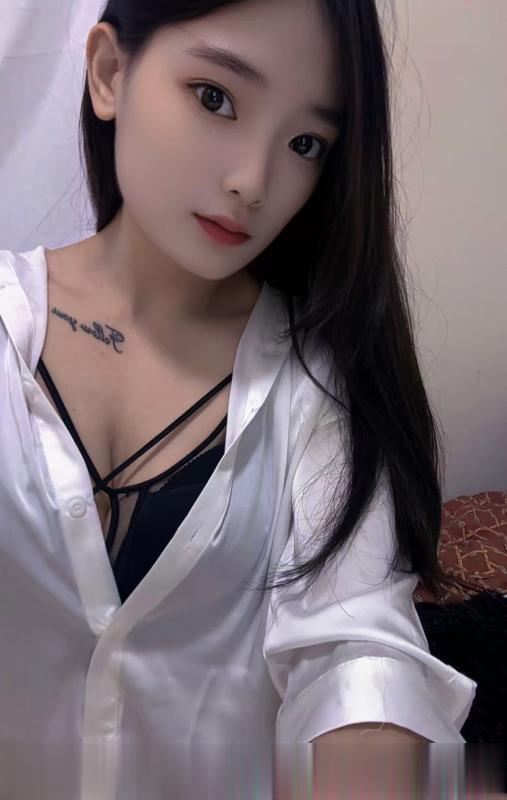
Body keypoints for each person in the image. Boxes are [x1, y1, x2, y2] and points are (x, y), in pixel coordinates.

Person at [0, 0, 484, 797]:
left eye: (305, 143)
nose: (253, 183)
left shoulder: (321, 387)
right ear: (110, 72)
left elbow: (359, 658)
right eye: (214, 97)